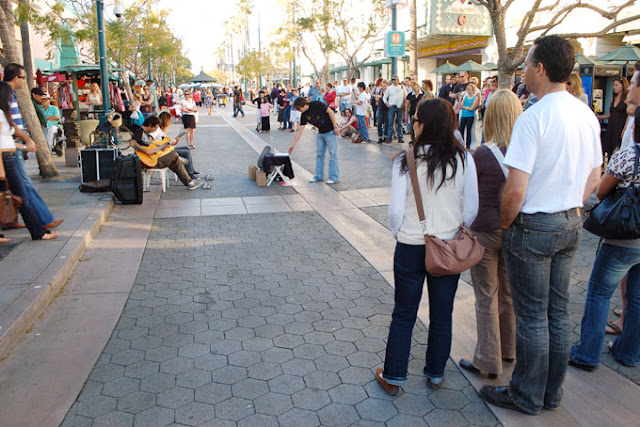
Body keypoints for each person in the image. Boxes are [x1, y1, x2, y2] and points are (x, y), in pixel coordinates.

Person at [479, 35, 602, 416]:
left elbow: (515, 190)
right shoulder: (584, 112)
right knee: (556, 313)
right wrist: (571, 204)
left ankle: (527, 395)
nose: (524, 70)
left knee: (533, 315)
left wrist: (505, 222)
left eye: (528, 63)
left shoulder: (534, 116)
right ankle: (551, 393)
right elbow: (595, 174)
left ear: (541, 69)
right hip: (569, 222)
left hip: (535, 225)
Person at [376, 98, 478, 394]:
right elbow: (472, 208)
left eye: (416, 119)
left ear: (425, 124)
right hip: (447, 246)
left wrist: (402, 233)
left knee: (404, 313)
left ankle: (394, 376)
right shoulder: (464, 159)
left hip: (410, 245)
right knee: (442, 314)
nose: (412, 123)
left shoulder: (405, 160)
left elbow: (395, 211)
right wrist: (452, 229)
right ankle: (435, 373)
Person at [569, 106, 640, 371]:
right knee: (637, 298)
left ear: (636, 128)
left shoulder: (629, 156)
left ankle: (587, 354)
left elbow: (600, 192)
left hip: (622, 239)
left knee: (599, 293)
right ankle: (629, 352)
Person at [459, 89, 521, 380]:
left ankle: (488, 360)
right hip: (513, 230)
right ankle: (509, 349)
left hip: (484, 231)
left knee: (486, 296)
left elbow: (468, 198)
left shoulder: (482, 155)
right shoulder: (525, 152)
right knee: (508, 293)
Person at [2, 63, 62, 233]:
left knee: (12, 187)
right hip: (10, 148)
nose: (25, 81)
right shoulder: (5, 94)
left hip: (11, 146)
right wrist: (25, 141)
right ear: (16, 78)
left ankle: (10, 220)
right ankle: (42, 222)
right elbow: (9, 124)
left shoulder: (9, 94)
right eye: (23, 77)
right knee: (23, 186)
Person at [129, 115, 202, 190]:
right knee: (174, 156)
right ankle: (189, 181)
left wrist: (163, 146)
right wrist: (146, 151)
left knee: (175, 160)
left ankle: (189, 182)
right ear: (150, 125)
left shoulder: (146, 133)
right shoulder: (139, 131)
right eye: (155, 127)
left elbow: (150, 145)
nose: (156, 130)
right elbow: (132, 143)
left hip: (155, 157)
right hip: (149, 161)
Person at [288, 97, 340, 184]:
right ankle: (318, 176)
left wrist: (335, 126)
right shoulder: (304, 115)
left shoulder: (316, 104)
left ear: (304, 105)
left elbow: (330, 111)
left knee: (333, 154)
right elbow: (300, 130)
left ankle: (334, 177)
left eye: (299, 108)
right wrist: (293, 144)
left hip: (330, 132)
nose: (298, 111)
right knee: (319, 155)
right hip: (320, 133)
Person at [153, 112, 199, 179]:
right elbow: (154, 142)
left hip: (167, 149)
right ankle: (189, 173)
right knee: (185, 153)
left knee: (186, 148)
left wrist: (175, 141)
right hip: (163, 151)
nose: (170, 122)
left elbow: (166, 142)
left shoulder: (162, 130)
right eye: (170, 120)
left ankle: (191, 169)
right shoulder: (157, 130)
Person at [598, 77, 628, 157]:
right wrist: (599, 117)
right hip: (611, 125)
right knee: (608, 146)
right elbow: (610, 114)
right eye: (614, 85)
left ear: (622, 86)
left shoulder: (626, 99)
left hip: (620, 125)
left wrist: (625, 129)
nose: (614, 87)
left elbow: (629, 115)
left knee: (617, 146)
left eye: (616, 85)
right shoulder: (613, 98)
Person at [384, 75, 406, 143]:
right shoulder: (389, 88)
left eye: (395, 79)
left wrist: (404, 103)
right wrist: (387, 104)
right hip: (392, 106)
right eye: (393, 80)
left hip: (400, 106)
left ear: (398, 80)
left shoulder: (402, 87)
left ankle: (400, 138)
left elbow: (405, 96)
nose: (394, 81)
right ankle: (389, 138)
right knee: (390, 122)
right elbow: (384, 97)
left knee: (399, 123)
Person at [459, 84, 480, 149]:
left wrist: (464, 107)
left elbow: (472, 108)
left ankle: (468, 145)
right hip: (464, 115)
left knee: (469, 131)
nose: (468, 91)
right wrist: (460, 99)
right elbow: (461, 106)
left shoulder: (475, 98)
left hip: (470, 116)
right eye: (467, 89)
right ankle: (461, 144)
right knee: (461, 130)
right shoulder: (465, 97)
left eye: (469, 89)